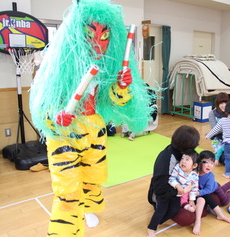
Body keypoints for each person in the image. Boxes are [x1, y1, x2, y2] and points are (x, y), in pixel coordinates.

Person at [29, 1, 152, 236]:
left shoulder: (104, 68)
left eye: (104, 35)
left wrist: (122, 86)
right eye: (90, 33)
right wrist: (56, 117)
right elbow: (43, 105)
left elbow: (114, 100)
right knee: (67, 191)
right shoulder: (59, 67)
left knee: (92, 180)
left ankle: (86, 211)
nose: (97, 42)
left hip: (94, 129)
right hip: (65, 135)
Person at [147, 125, 205, 237]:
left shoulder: (184, 153)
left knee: (174, 210)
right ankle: (151, 227)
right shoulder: (167, 159)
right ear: (186, 145)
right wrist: (181, 191)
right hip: (163, 193)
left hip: (177, 192)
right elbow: (160, 188)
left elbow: (193, 176)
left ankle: (159, 221)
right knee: (163, 210)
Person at [193, 150, 230, 235]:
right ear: (199, 162)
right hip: (205, 190)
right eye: (206, 162)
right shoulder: (195, 172)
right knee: (206, 196)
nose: (209, 165)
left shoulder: (210, 176)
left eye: (212, 163)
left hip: (214, 188)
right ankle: (218, 215)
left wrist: (198, 192)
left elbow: (208, 190)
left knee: (225, 201)